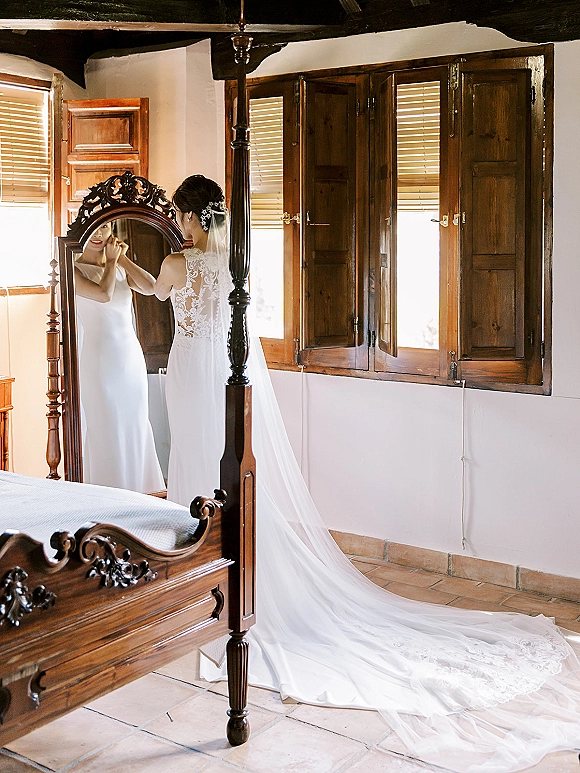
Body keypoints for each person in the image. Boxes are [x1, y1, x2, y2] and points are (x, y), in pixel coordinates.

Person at [156, 176, 580, 773]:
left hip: (190, 379)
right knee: (218, 476)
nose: (179, 223)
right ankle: (215, 573)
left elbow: (156, 292)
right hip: (220, 387)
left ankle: (200, 583)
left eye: (180, 213)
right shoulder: (231, 265)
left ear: (190, 214)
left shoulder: (179, 261)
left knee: (196, 473)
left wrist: (126, 263)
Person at [75, 222, 165, 493]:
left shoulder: (118, 263)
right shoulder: (75, 270)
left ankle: (142, 493)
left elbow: (152, 288)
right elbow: (104, 294)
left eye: (105, 228)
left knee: (135, 424)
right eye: (93, 229)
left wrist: (122, 259)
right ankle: (110, 497)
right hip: (99, 362)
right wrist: (112, 263)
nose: (99, 235)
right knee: (107, 426)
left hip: (130, 359)